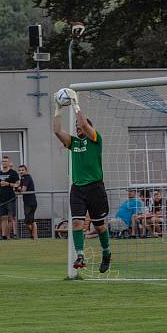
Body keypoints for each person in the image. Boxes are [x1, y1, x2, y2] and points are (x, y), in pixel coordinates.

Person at [53, 88, 112, 272]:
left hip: (95, 188)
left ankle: (107, 253)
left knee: (100, 227)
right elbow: (57, 130)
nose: (78, 129)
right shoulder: (74, 143)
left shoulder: (95, 139)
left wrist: (75, 103)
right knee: (77, 223)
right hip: (77, 189)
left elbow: (85, 125)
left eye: (81, 127)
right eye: (77, 128)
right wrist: (58, 108)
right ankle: (80, 255)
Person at [0, 156, 19, 240]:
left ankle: (8, 236)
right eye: (3, 161)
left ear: (9, 163)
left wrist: (8, 184)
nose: (4, 163)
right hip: (0, 200)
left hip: (10, 199)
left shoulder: (13, 173)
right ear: (1, 163)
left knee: (11, 218)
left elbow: (17, 184)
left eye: (6, 161)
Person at [18, 164, 38, 240]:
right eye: (19, 170)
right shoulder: (22, 178)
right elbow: (19, 188)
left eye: (22, 170)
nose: (21, 171)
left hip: (31, 202)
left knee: (29, 221)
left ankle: (34, 236)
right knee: (29, 221)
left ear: (26, 170)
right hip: (27, 202)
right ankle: (33, 236)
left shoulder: (27, 177)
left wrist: (18, 189)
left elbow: (23, 190)